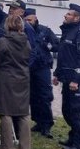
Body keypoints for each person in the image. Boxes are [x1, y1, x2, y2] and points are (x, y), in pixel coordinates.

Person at [0, 15, 32, 149]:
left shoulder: (3, 42)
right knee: (23, 113)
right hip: (23, 79)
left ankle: (7, 148)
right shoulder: (26, 42)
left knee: (6, 113)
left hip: (5, 80)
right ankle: (25, 146)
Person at [53, 4, 80, 149]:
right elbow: (63, 57)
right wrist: (57, 73)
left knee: (77, 112)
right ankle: (73, 138)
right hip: (67, 79)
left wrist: (76, 80)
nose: (65, 16)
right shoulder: (68, 32)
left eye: (68, 14)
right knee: (67, 111)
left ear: (77, 18)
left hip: (77, 81)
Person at [24, 9, 60, 138]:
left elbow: (56, 45)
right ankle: (38, 121)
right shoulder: (23, 31)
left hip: (43, 67)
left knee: (44, 96)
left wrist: (46, 45)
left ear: (35, 18)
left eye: (30, 20)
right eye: (26, 20)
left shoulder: (45, 30)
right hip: (29, 67)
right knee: (32, 96)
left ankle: (47, 124)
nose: (27, 22)